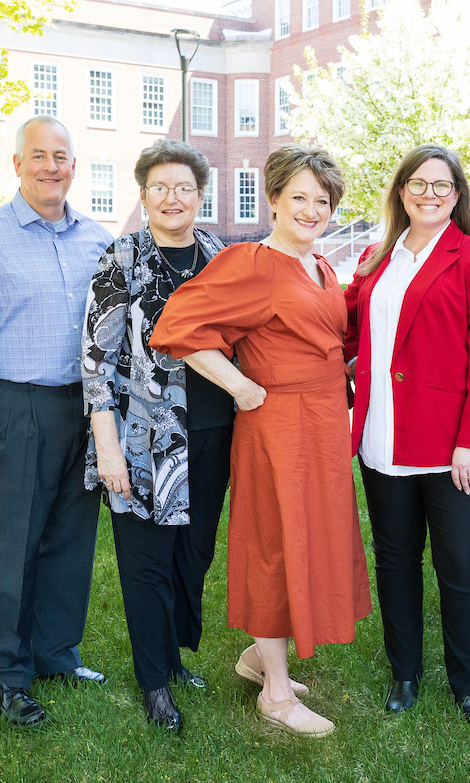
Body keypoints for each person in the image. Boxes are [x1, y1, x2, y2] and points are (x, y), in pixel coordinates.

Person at [149, 144, 371, 739]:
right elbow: (176, 327)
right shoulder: (253, 262)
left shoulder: (321, 267)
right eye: (298, 197)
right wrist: (240, 384)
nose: (310, 209)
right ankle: (275, 693)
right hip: (278, 426)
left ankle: (258, 659)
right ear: (272, 200)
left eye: (321, 201)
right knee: (276, 542)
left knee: (310, 537)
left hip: (323, 423)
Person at [0, 115, 112, 727]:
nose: (50, 167)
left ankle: (57, 653)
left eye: (60, 156)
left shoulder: (97, 239)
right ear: (17, 164)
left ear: (72, 165)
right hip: (18, 406)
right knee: (15, 543)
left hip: (86, 407)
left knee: (70, 537)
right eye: (38, 156)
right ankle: (8, 673)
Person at [344, 144, 470, 724]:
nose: (429, 194)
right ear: (400, 191)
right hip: (381, 438)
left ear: (458, 195)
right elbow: (345, 330)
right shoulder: (374, 259)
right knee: (395, 560)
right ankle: (405, 673)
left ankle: (467, 682)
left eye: (442, 185)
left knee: (462, 564)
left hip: (452, 446)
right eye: (417, 183)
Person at [80, 140, 232, 733]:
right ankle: (154, 685)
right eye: (161, 188)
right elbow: (96, 359)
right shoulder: (123, 258)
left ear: (201, 196)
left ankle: (173, 656)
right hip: (142, 441)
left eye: (185, 188)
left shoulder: (220, 255)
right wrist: (108, 445)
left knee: (192, 556)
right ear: (143, 196)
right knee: (146, 562)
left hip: (213, 434)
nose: (173, 198)